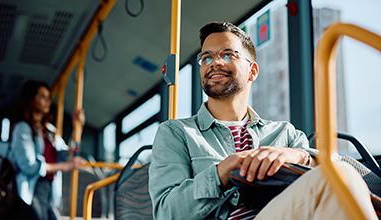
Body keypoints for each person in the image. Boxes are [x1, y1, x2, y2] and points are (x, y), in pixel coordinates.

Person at [148, 21, 377, 220]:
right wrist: (225, 169)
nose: (214, 62)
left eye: (227, 54)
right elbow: (167, 213)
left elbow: (338, 172)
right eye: (206, 57)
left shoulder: (283, 134)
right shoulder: (176, 133)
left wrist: (300, 156)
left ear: (252, 71)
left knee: (340, 176)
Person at [11, 80, 86, 220]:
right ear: (31, 101)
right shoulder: (22, 128)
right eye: (42, 96)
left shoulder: (49, 131)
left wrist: (78, 127)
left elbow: (67, 155)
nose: (48, 101)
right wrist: (66, 166)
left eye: (49, 97)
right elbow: (29, 165)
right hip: (31, 190)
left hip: (50, 190)